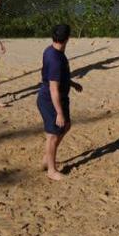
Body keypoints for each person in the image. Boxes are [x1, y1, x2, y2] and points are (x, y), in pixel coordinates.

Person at [37, 23, 83, 181]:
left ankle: (47, 158)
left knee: (66, 126)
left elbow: (56, 77)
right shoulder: (55, 59)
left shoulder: (51, 50)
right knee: (53, 135)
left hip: (60, 97)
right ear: (68, 38)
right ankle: (51, 170)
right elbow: (53, 89)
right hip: (50, 100)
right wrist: (59, 113)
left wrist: (71, 83)